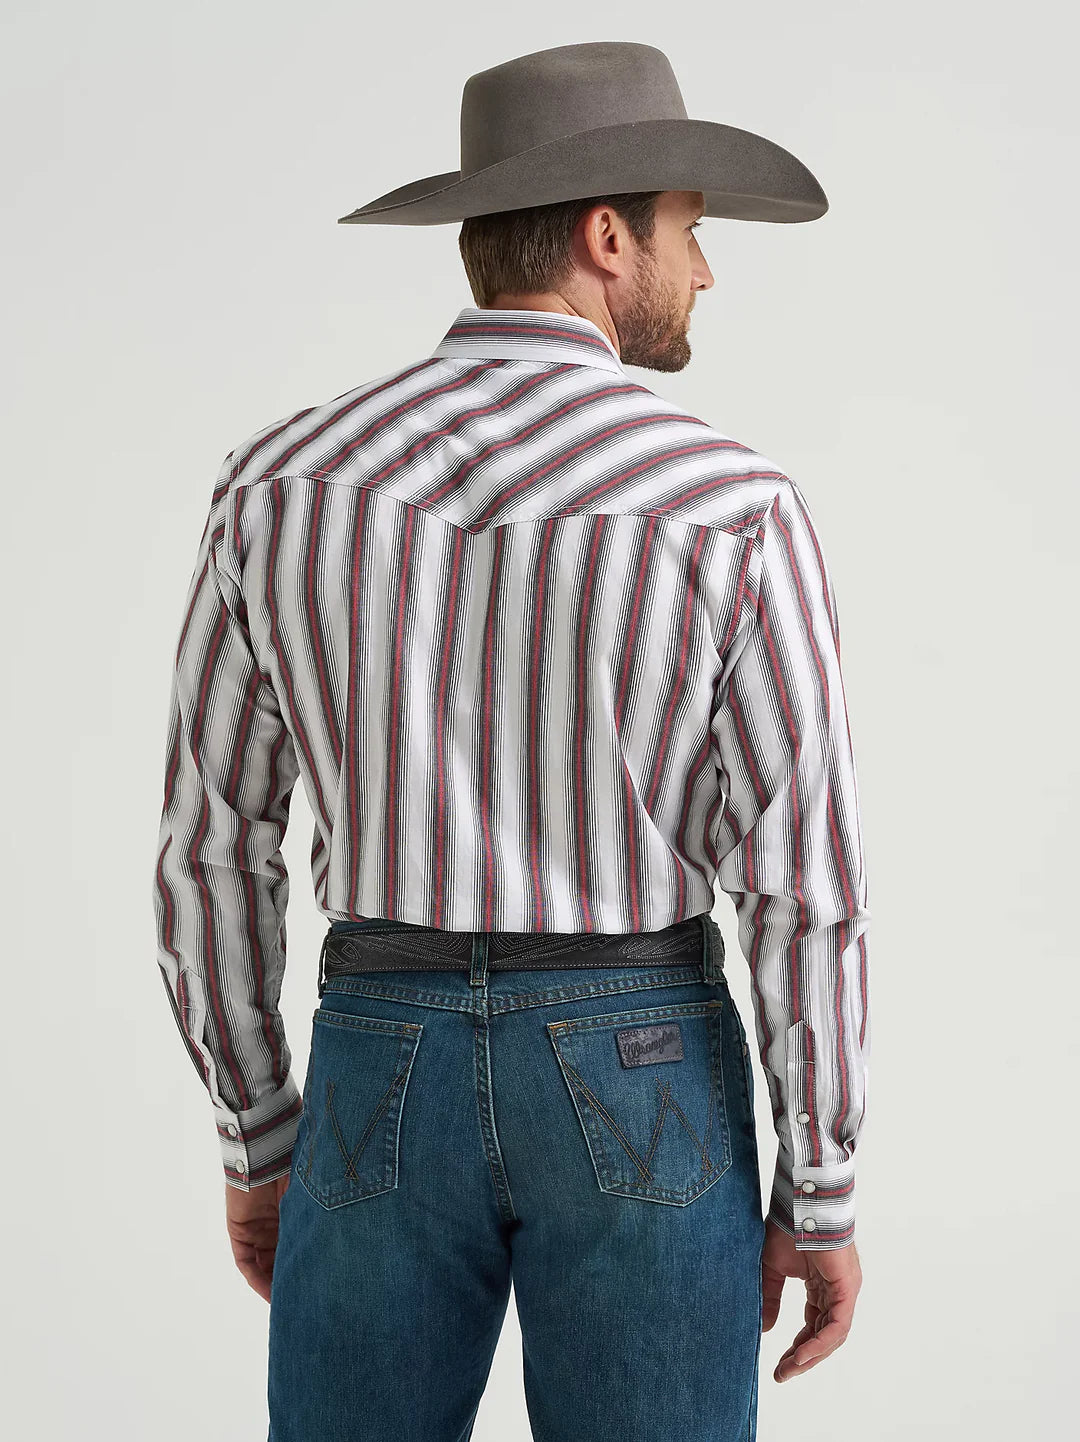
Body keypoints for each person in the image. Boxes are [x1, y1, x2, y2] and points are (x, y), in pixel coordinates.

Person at [151, 40, 870, 1441]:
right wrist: (824, 1184)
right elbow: (805, 884)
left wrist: (257, 1129)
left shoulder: (280, 483)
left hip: (377, 1050)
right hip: (643, 1054)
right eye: (689, 230)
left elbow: (207, 851)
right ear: (608, 238)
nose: (704, 270)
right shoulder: (731, 505)